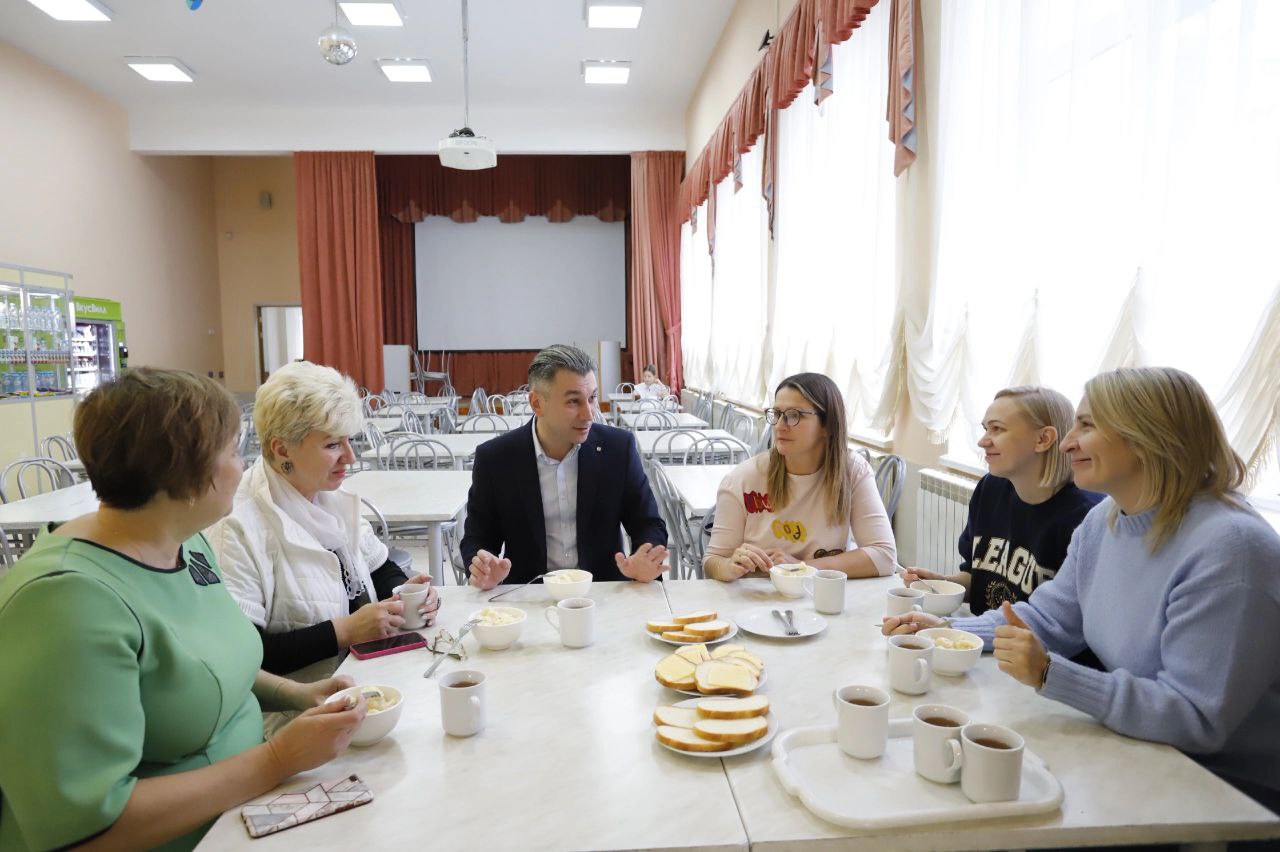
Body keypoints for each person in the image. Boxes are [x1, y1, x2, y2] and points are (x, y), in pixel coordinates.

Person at [0, 368, 365, 851]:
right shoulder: (66, 602)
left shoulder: (185, 544)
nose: (244, 466)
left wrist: (300, 696)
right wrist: (276, 760)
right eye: (234, 451)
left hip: (245, 813)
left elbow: (202, 665)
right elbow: (84, 830)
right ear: (187, 473)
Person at [883, 367, 1280, 811]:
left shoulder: (1231, 548)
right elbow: (1050, 618)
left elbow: (1195, 717)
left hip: (1226, 796)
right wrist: (950, 628)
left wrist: (1052, 674)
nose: (1069, 443)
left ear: (1149, 436)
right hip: (1139, 749)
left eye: (1087, 425)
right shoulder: (1105, 520)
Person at [209, 361, 439, 682]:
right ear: (282, 449)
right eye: (332, 445)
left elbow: (380, 566)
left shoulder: (328, 494)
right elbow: (245, 655)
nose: (350, 457)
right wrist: (344, 631)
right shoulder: (237, 526)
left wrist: (402, 594)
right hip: (297, 714)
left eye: (348, 441)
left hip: (363, 682)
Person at [462, 344, 668, 588]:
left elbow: (648, 523)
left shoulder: (617, 449)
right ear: (537, 403)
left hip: (602, 593)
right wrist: (483, 567)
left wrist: (646, 557)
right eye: (573, 402)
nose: (589, 414)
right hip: (527, 595)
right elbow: (478, 538)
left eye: (592, 398)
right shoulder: (496, 459)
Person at [902, 386, 1103, 615]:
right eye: (986, 429)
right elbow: (976, 577)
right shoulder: (991, 487)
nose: (983, 441)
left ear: (1043, 439)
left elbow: (1067, 623)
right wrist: (944, 585)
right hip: (984, 639)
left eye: (997, 429)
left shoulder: (1086, 515)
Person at [703, 372, 897, 581]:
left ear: (828, 425)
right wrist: (730, 566)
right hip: (757, 600)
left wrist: (801, 567)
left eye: (794, 415)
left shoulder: (852, 471)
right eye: (776, 414)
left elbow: (884, 557)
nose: (779, 425)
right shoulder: (743, 479)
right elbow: (713, 560)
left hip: (820, 599)